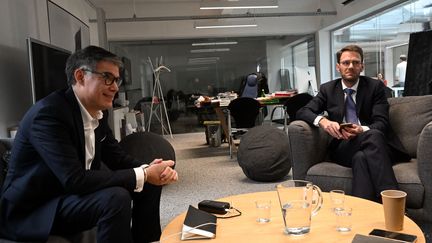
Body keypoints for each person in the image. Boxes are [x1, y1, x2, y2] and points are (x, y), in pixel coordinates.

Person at [0, 46, 178, 243]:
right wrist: (143, 174)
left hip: (71, 196)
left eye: (116, 80)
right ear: (80, 76)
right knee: (116, 198)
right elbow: (73, 179)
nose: (115, 87)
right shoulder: (49, 115)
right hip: (37, 209)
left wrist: (151, 170)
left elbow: (116, 157)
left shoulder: (98, 112)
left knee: (148, 184)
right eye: (107, 77)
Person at [296, 45, 408, 202]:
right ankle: (394, 204)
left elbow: (381, 123)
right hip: (343, 147)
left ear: (362, 66)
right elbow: (303, 111)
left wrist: (361, 129)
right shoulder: (328, 89)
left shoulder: (375, 87)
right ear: (338, 66)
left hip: (376, 144)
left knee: (361, 157)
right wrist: (323, 121)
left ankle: (363, 212)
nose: (351, 66)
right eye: (346, 62)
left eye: (356, 63)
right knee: (371, 138)